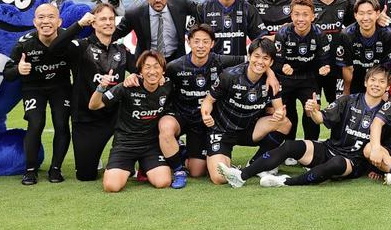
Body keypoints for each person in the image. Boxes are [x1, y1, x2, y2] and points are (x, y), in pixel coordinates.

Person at [216, 66, 390, 188]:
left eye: (381, 82)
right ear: (366, 82)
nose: (376, 85)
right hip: (330, 148)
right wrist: (313, 110)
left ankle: (285, 182)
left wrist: (376, 168)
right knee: (291, 146)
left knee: (336, 163)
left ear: (387, 87)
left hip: (353, 161)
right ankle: (241, 176)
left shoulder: (388, 111)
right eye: (373, 80)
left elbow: (386, 144)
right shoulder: (348, 100)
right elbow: (320, 119)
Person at [155, 24, 247, 186]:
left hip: (208, 120)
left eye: (205, 42)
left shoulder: (221, 61)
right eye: (196, 41)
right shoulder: (175, 66)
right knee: (166, 127)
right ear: (188, 42)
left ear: (212, 44)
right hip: (183, 116)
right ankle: (178, 170)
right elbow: (154, 76)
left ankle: (182, 152)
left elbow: (254, 60)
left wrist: (270, 75)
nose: (201, 46)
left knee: (197, 171)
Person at [49, 3, 130, 182]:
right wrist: (79, 25)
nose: (108, 23)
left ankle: (121, 157)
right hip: (87, 119)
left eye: (111, 19)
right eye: (102, 19)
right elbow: (54, 48)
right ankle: (96, 157)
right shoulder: (80, 46)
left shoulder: (122, 50)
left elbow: (143, 68)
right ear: (93, 23)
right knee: (86, 176)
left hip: (117, 117)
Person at [203, 39, 293, 185]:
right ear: (249, 56)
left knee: (284, 123)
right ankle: (230, 167)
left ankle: (256, 164)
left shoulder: (272, 82)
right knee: (219, 178)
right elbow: (208, 101)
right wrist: (205, 114)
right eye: (256, 56)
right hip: (222, 131)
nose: (260, 61)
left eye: (265, 58)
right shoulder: (229, 76)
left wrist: (278, 114)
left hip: (248, 130)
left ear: (270, 62)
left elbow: (279, 109)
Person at [5, 3, 72, 185]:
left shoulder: (68, 40)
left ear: (59, 21)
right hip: (33, 88)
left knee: (61, 123)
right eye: (41, 17)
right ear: (35, 22)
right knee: (36, 123)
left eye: (51, 17)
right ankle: (30, 170)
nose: (46, 21)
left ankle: (55, 169)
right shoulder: (25, 43)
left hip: (61, 87)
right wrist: (18, 69)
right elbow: (7, 72)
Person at [88, 50, 173, 192]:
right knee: (111, 187)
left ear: (163, 70)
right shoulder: (127, 86)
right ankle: (127, 168)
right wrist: (101, 87)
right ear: (140, 71)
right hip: (125, 144)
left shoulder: (167, 86)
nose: (152, 71)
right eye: (147, 67)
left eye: (156, 67)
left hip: (151, 145)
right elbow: (94, 105)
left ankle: (145, 168)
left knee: (163, 182)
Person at [273, 0, 332, 142]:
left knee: (311, 111)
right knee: (289, 112)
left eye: (305, 14)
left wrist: (324, 69)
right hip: (287, 79)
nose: (301, 19)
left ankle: (311, 148)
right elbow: (277, 62)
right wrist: (283, 67)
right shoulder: (283, 33)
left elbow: (324, 62)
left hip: (309, 79)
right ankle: (290, 147)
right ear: (291, 15)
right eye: (297, 14)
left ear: (313, 16)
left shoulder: (319, 34)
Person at [113, 0, 200, 62]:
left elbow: (201, 11)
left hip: (177, 61)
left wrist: (192, 30)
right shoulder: (134, 13)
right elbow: (115, 33)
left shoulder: (181, 3)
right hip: (148, 63)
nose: (158, 0)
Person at [335, 0, 391, 95]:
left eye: (370, 13)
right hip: (355, 80)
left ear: (377, 14)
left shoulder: (388, 34)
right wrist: (346, 92)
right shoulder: (346, 35)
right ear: (355, 15)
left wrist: (384, 92)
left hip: (377, 80)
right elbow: (348, 68)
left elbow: (387, 67)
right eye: (361, 13)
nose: (365, 18)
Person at [199, 0, 265, 58]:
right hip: (210, 67)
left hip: (238, 67)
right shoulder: (203, 8)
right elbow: (194, 40)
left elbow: (260, 39)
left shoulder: (247, 9)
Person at [312, 0, 353, 103]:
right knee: (311, 110)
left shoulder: (346, 4)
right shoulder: (309, 4)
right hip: (314, 66)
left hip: (338, 67)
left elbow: (354, 28)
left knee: (338, 108)